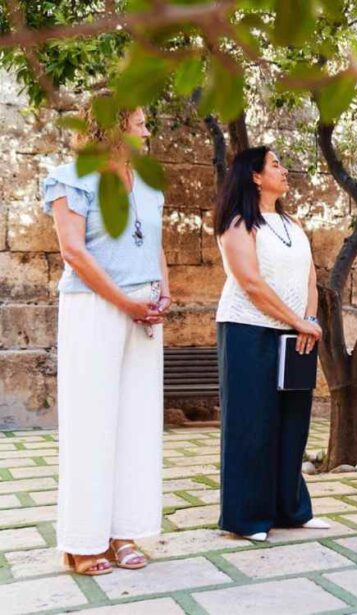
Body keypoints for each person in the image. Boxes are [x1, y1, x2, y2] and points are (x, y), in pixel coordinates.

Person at [44, 100, 169, 575]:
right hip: (94, 308)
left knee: (136, 424)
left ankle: (123, 533)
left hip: (144, 312)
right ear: (114, 130)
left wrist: (164, 293)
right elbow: (72, 251)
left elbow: (154, 244)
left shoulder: (149, 183)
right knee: (91, 423)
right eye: (139, 122)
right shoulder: (70, 177)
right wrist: (125, 301)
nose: (146, 128)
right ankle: (81, 542)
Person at [214, 146, 328, 541]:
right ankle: (246, 519)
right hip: (248, 330)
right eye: (275, 164)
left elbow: (310, 278)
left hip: (296, 332)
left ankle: (291, 510)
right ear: (255, 176)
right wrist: (297, 320)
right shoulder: (237, 222)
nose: (283, 169)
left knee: (292, 422)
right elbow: (250, 282)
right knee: (251, 424)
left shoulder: (291, 222)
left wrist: (308, 321)